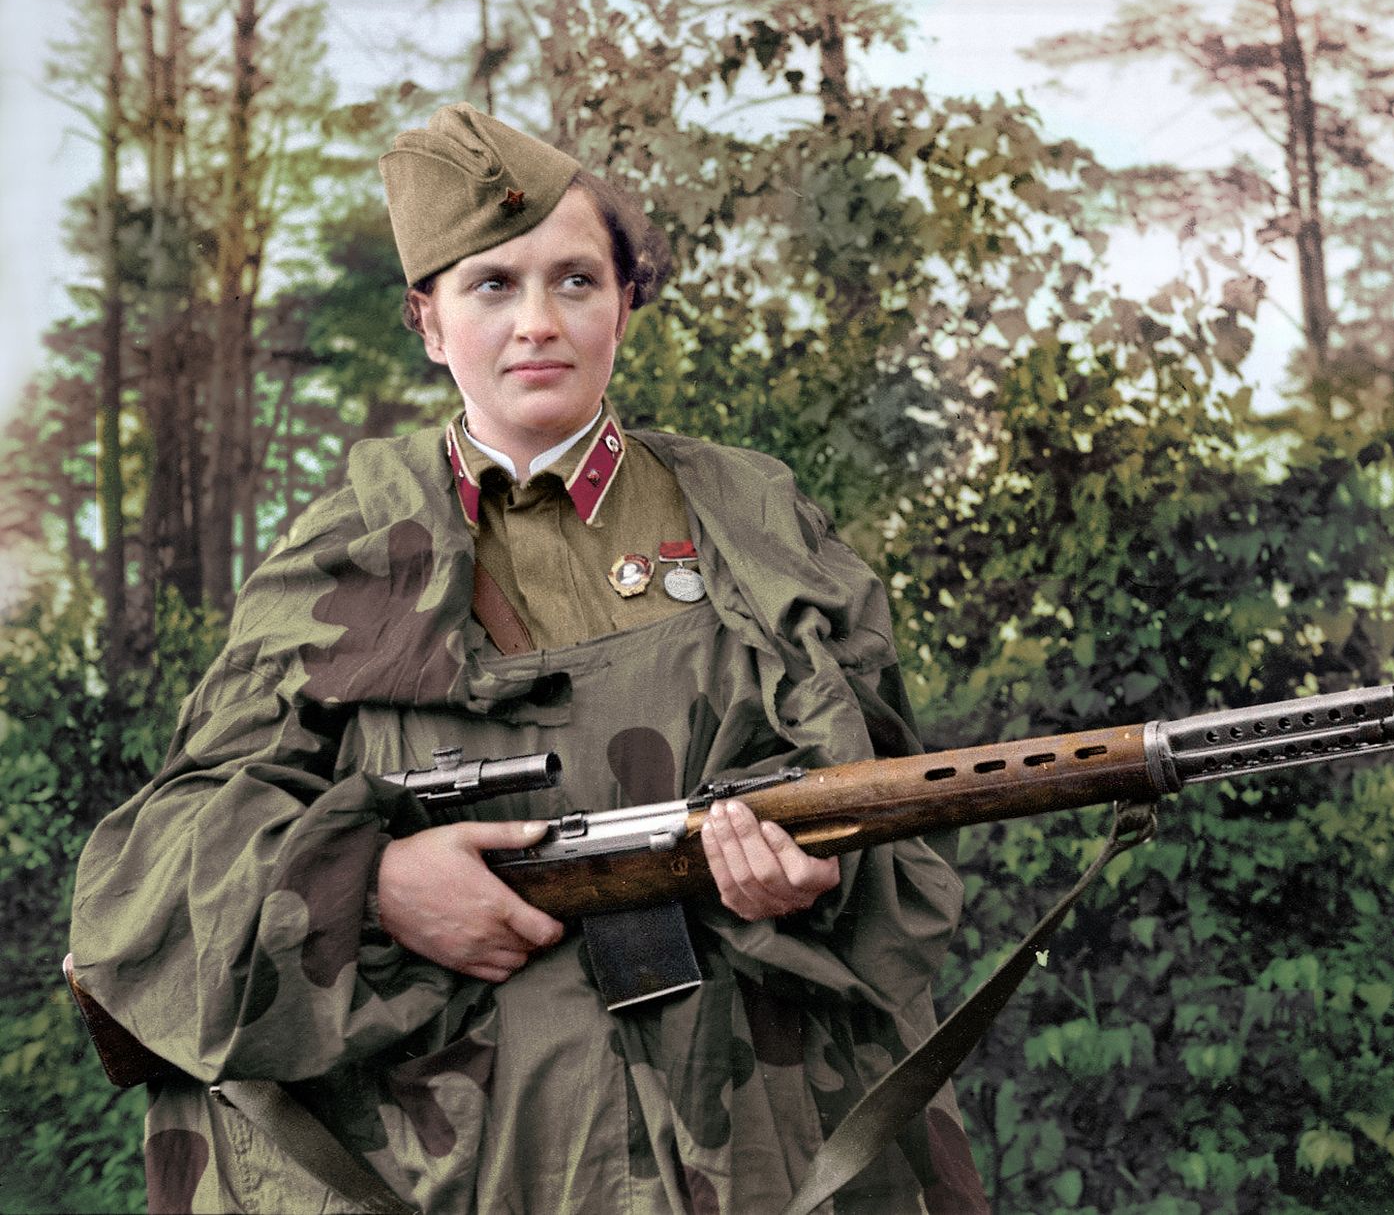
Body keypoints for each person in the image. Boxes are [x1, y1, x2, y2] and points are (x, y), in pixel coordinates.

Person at [70, 103, 987, 1214]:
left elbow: (899, 811)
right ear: (427, 321)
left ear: (624, 306)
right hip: (460, 1161)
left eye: (575, 281)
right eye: (492, 286)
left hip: (754, 1145)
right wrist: (374, 885)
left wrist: (814, 870)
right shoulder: (347, 547)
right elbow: (160, 861)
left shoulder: (752, 517)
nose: (536, 324)